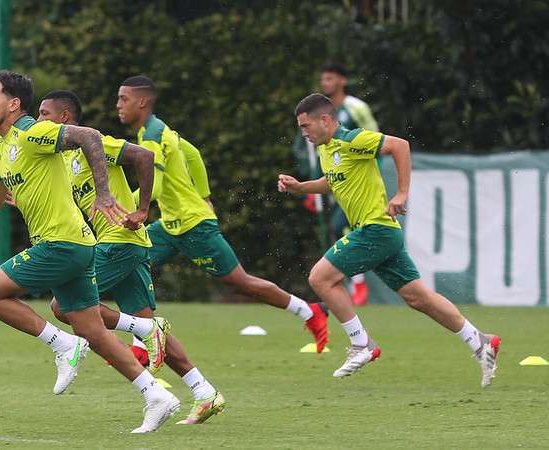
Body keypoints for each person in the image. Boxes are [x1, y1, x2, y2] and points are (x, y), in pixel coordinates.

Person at [0, 70, 179, 433]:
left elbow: (90, 136)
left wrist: (104, 193)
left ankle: (62, 343)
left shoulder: (34, 131)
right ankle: (156, 396)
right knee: (94, 333)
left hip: (61, 244)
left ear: (13, 104)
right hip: (76, 246)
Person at [277, 93, 501, 386]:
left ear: (325, 119)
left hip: (375, 230)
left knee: (320, 278)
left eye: (306, 126)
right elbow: (331, 182)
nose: (303, 133)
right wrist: (300, 187)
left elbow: (400, 145)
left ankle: (362, 344)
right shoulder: (327, 149)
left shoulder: (352, 139)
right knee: (418, 298)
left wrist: (402, 193)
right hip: (382, 233)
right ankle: (481, 341)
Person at [34, 90, 226, 425]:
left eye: (44, 113)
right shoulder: (60, 160)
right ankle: (204, 391)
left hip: (119, 240)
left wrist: (142, 208)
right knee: (152, 331)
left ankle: (142, 330)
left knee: (64, 307)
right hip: (123, 245)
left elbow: (143, 157)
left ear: (64, 117)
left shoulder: (93, 144)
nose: (39, 121)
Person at [116, 75, 330, 353]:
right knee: (130, 261)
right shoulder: (156, 130)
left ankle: (310, 312)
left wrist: (122, 204)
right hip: (170, 226)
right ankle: (142, 343)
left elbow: (153, 186)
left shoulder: (154, 135)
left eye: (124, 99)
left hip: (194, 226)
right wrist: (205, 195)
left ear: (142, 101)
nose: (118, 104)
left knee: (240, 283)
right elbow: (191, 153)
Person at [294, 63, 380, 305]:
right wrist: (306, 188)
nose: (325, 83)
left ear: (343, 80)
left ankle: (357, 281)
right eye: (323, 79)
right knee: (340, 226)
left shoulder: (356, 108)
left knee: (342, 223)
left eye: (330, 78)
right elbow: (313, 153)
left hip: (359, 181)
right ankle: (352, 282)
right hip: (334, 178)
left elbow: (378, 143)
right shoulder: (313, 120)